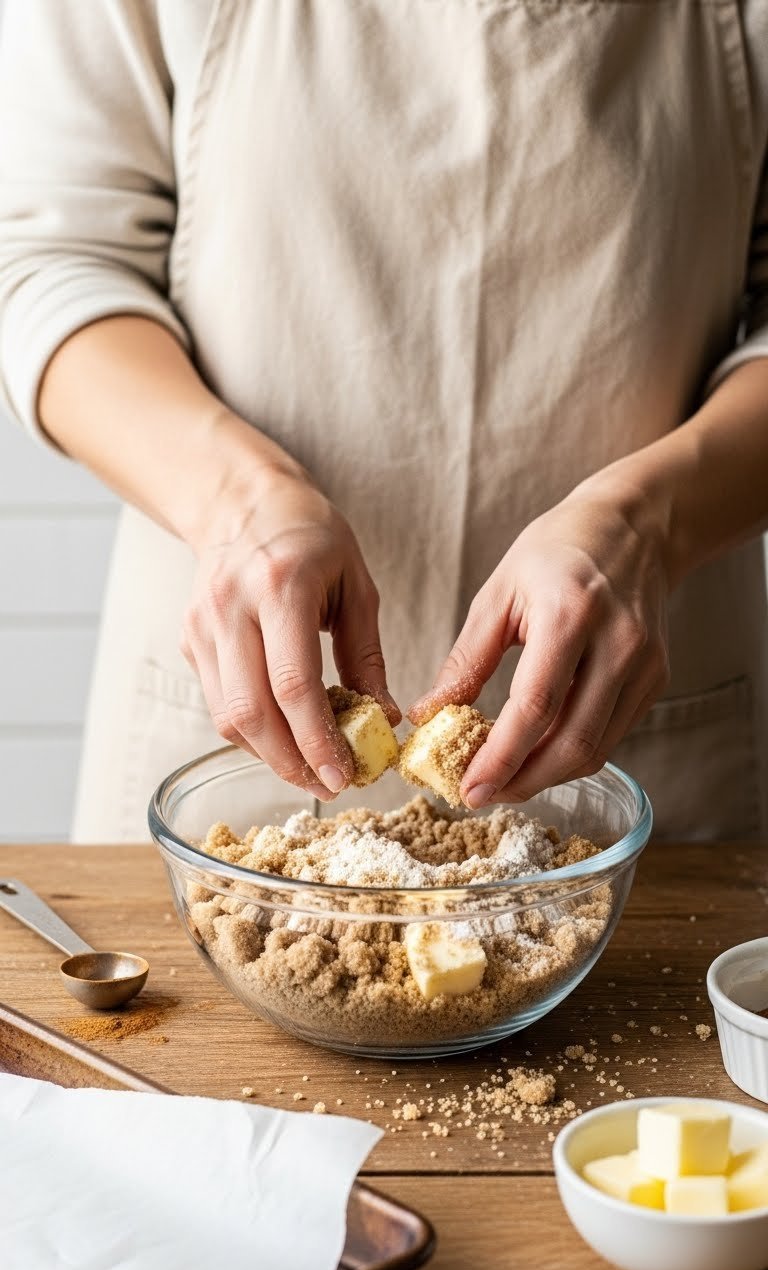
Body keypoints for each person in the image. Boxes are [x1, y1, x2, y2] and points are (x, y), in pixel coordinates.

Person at [1, 0, 767, 842]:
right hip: (223, 749)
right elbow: (50, 259)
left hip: (641, 761)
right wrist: (238, 501)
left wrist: (649, 525)